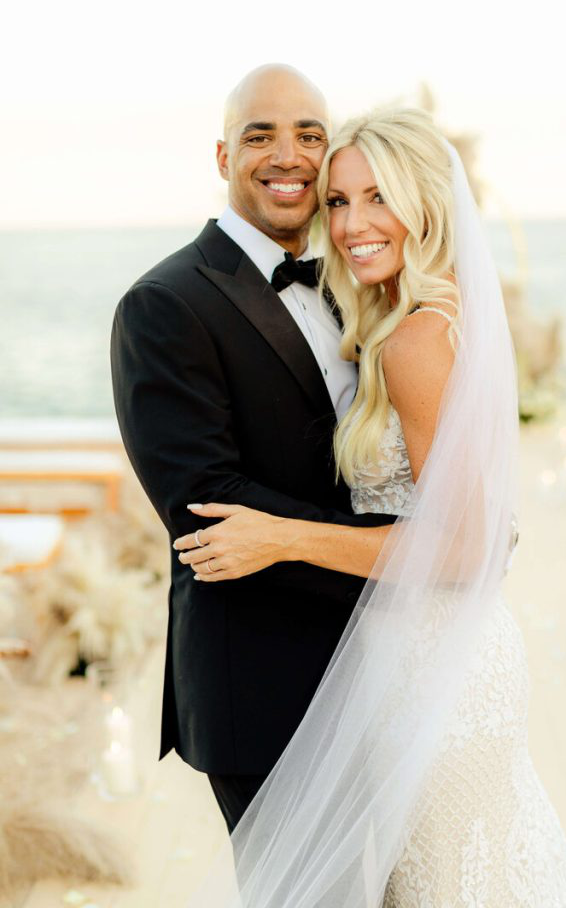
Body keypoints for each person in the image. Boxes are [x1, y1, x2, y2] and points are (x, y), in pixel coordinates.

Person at [175, 108, 566, 906]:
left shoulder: (413, 343)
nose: (351, 224)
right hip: (440, 655)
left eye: (379, 198)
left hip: (435, 671)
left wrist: (283, 538)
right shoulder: (436, 320)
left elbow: (465, 548)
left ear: (428, 207)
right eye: (337, 202)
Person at [110, 64, 395, 836]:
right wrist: (396, 553)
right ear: (221, 157)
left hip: (382, 665)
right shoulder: (163, 304)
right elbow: (203, 501)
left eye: (309, 134)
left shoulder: (356, 284)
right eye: (259, 135)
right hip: (263, 681)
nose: (288, 155)